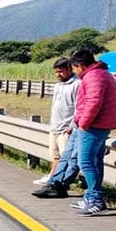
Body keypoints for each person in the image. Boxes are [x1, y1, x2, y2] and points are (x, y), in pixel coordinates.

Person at [68, 48, 116, 216]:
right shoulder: (102, 73)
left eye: (74, 68)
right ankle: (90, 196)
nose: (75, 72)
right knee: (95, 161)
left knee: (85, 162)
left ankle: (96, 200)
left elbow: (93, 102)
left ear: (80, 65)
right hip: (100, 125)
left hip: (93, 126)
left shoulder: (93, 77)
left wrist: (83, 123)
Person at [34, 57, 80, 185]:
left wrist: (72, 126)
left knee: (66, 158)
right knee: (55, 155)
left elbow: (79, 107)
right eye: (56, 72)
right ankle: (52, 177)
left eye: (60, 72)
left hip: (66, 128)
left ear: (69, 70)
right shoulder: (58, 85)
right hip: (55, 126)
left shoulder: (77, 84)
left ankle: (59, 182)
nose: (57, 75)